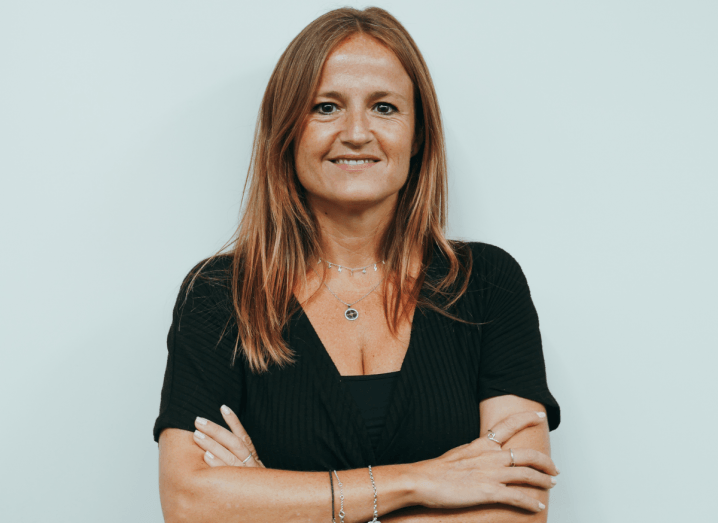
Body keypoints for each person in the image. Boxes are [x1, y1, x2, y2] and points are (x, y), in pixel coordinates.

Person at [153, 6, 560, 522]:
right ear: (287, 132)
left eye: (385, 108)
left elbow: (518, 507)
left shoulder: (485, 284)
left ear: (418, 137)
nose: (357, 133)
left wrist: (274, 503)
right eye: (325, 107)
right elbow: (191, 505)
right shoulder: (219, 294)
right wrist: (423, 481)